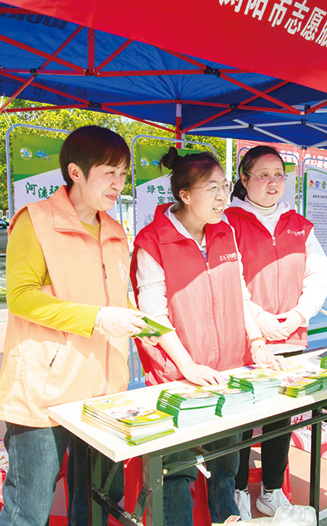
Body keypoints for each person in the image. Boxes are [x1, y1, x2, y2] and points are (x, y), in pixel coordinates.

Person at [0, 126, 146, 526]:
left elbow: (115, 298)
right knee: (29, 507)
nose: (119, 184)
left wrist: (138, 318)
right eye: (109, 173)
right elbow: (21, 297)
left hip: (104, 390)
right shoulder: (35, 221)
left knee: (97, 500)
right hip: (45, 392)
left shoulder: (115, 230)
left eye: (123, 173)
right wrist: (97, 319)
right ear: (76, 172)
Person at [130, 148, 284, 526]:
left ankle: (226, 518)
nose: (222, 196)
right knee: (176, 472)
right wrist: (187, 366)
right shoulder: (153, 241)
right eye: (212, 188)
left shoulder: (224, 231)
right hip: (177, 378)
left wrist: (257, 344)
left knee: (226, 466)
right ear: (185, 194)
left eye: (224, 186)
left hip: (228, 371)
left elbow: (240, 294)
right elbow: (153, 315)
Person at [225, 145, 327, 519]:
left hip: (289, 336)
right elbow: (229, 279)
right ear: (244, 179)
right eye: (263, 175)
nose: (272, 183)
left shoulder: (298, 223)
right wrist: (258, 319)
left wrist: (299, 314)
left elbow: (318, 273)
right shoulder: (228, 221)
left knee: (280, 416)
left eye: (279, 176)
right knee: (241, 418)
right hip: (245, 339)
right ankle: (237, 491)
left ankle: (271, 491)